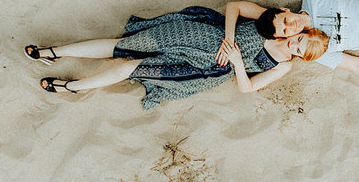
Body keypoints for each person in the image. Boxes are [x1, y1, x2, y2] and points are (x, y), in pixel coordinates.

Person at [26, 7, 327, 109]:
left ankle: (73, 88)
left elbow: (247, 88)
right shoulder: (277, 23)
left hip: (207, 68)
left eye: (299, 50)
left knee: (132, 67)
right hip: (198, 36)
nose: (293, 44)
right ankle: (54, 52)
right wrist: (229, 39)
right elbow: (235, 6)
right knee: (125, 46)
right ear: (302, 31)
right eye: (299, 39)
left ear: (300, 58)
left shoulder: (283, 65)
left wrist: (236, 61)